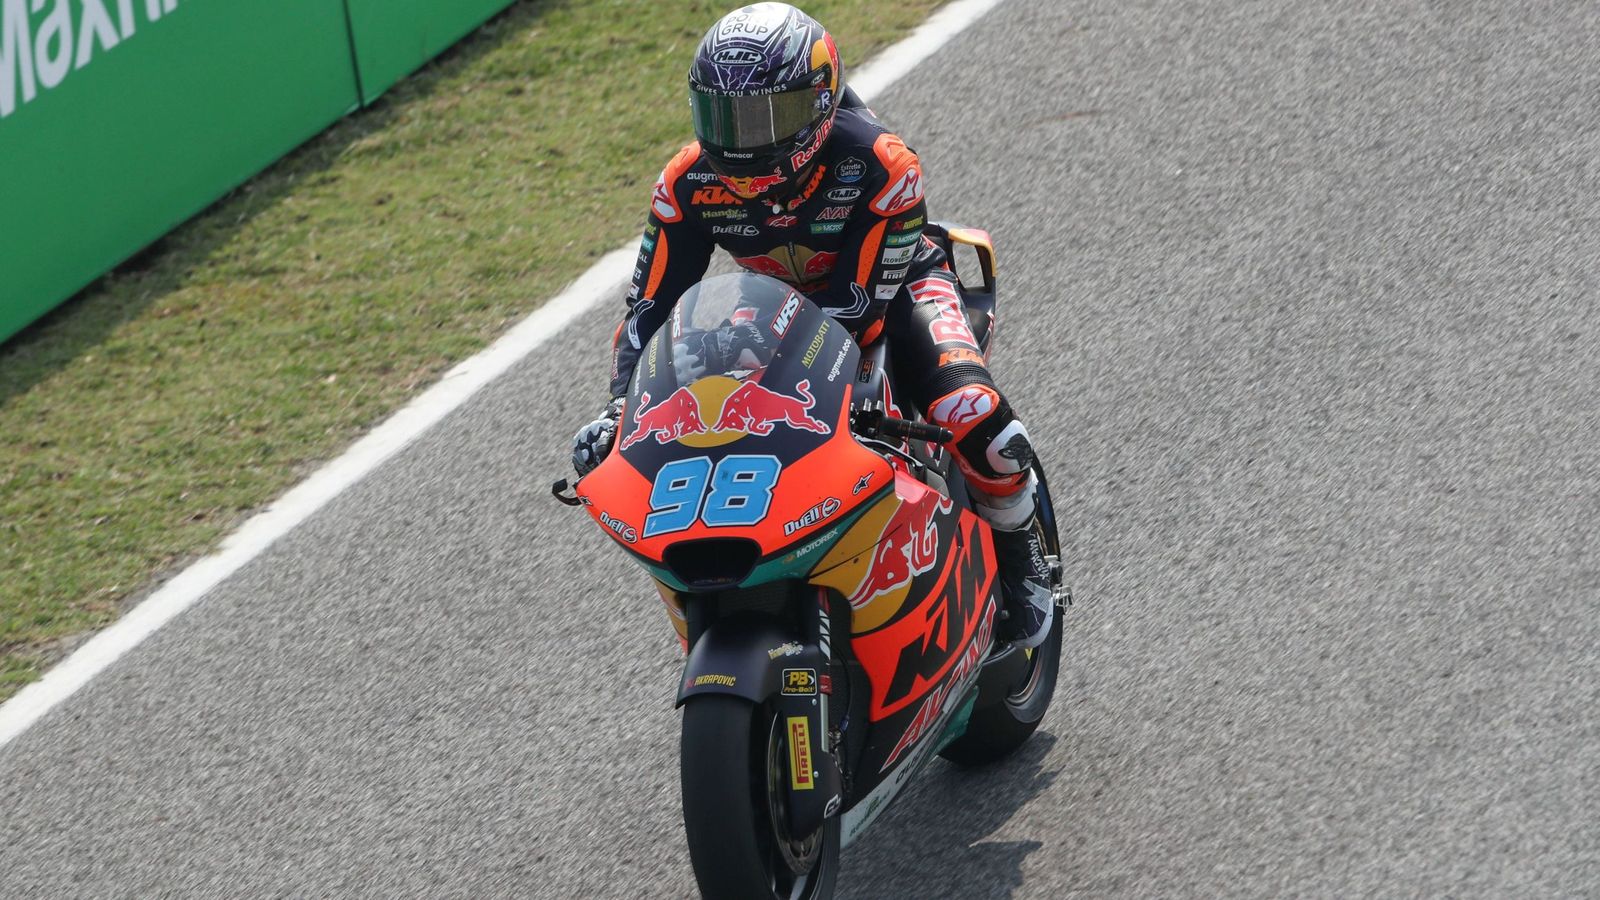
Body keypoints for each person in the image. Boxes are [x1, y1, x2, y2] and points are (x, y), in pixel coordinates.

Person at [570, 3, 1055, 647]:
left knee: (971, 410)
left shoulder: (882, 165)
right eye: (725, 117)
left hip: (896, 288)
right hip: (775, 307)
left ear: (819, 103)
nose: (743, 140)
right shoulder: (686, 184)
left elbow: (860, 305)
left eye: (768, 116)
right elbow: (650, 311)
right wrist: (619, 410)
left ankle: (1025, 557)